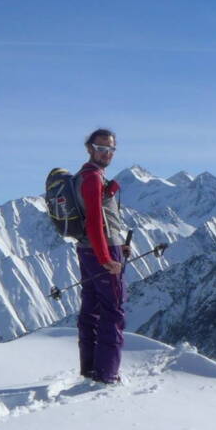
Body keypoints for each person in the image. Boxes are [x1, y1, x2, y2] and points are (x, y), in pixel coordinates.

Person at [74, 128, 131, 383]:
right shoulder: (93, 178)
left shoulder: (83, 176)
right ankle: (107, 374)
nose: (106, 153)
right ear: (90, 148)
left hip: (88, 250)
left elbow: (97, 221)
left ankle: (90, 369)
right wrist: (107, 257)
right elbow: (95, 222)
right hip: (101, 250)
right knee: (113, 311)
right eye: (101, 148)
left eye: (110, 149)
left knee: (91, 309)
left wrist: (118, 246)